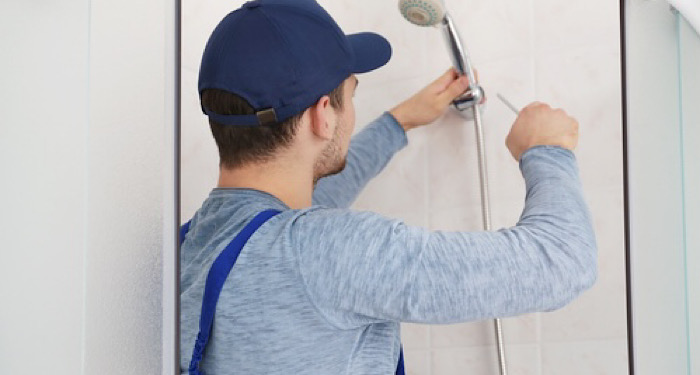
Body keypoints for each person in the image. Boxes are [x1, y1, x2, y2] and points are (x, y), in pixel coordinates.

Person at [179, 0, 598, 374]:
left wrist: (399, 123)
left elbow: (296, 215)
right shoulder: (333, 253)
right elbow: (563, 261)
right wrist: (547, 151)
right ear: (323, 115)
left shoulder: (189, 247)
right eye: (351, 93)